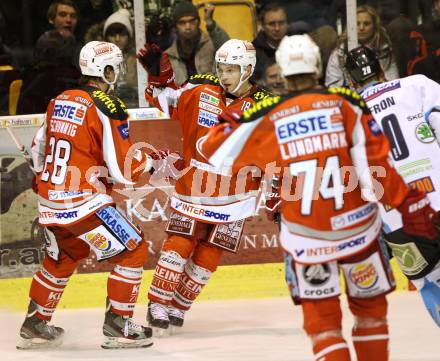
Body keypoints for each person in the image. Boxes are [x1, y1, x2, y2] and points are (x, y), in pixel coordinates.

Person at [200, 34, 437, 361]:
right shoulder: (347, 103)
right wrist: (409, 204)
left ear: (282, 70)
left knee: (323, 324)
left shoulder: (269, 113)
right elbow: (376, 168)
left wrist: (242, 119)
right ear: (318, 66)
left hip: (307, 239)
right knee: (370, 315)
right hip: (358, 234)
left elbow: (210, 148)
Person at [17, 41, 157, 350]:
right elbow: (123, 169)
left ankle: (36, 322)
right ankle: (119, 323)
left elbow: (40, 149)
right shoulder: (108, 105)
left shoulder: (59, 100)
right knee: (133, 248)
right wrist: (149, 162)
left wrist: (43, 177)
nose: (117, 74)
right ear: (105, 70)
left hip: (51, 201)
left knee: (64, 256)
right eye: (115, 68)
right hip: (83, 202)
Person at [137, 39, 271, 331]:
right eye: (221, 68)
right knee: (179, 244)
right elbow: (164, 98)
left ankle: (179, 306)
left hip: (237, 195)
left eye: (231, 70)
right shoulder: (200, 91)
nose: (224, 75)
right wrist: (160, 75)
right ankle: (158, 303)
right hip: (195, 189)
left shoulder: (264, 107)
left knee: (209, 256)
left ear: (248, 69)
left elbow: (276, 152)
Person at [344, 45, 440, 327]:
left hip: (399, 221)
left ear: (350, 81)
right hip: (437, 198)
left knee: (429, 284)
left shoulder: (345, 115)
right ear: (383, 70)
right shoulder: (418, 86)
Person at [325, 5, 398, 87]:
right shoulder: (339, 52)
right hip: (349, 98)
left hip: (379, 96)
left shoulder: (384, 50)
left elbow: (393, 83)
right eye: (357, 23)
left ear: (374, 26)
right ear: (350, 25)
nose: (361, 28)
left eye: (366, 24)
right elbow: (332, 86)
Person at [164, 2, 229, 85]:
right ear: (175, 26)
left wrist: (210, 22)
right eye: (182, 23)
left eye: (192, 21)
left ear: (198, 22)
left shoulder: (212, 43)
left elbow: (229, 49)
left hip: (213, 95)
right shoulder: (169, 56)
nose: (188, 27)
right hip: (184, 97)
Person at [103, 8, 137, 107]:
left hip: (134, 108)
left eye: (122, 34)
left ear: (129, 36)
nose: (117, 39)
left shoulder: (137, 59)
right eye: (112, 35)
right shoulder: (97, 60)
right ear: (106, 37)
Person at [252, 3, 288, 82]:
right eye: (271, 24)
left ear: (287, 24)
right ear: (262, 26)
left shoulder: (297, 45)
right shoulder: (252, 53)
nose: (277, 28)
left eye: (281, 23)